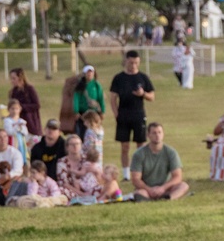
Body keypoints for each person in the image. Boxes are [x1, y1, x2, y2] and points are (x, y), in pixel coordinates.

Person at [110, 50, 155, 181]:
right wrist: (116, 114)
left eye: (136, 62)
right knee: (124, 146)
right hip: (123, 114)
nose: (133, 65)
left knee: (140, 145)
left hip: (138, 114)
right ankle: (126, 174)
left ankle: (140, 172)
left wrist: (143, 94)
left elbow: (152, 96)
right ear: (126, 61)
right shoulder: (119, 78)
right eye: (131, 62)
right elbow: (113, 98)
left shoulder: (143, 77)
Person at [130, 122, 189, 201]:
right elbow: (135, 179)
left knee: (183, 186)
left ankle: (168, 198)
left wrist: (163, 188)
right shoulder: (139, 154)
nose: (157, 135)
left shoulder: (171, 152)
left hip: (166, 188)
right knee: (139, 193)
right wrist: (149, 189)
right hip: (147, 189)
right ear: (148, 135)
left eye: (159, 132)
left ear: (163, 134)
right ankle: (148, 199)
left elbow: (178, 176)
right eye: (154, 133)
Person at [56, 135, 102, 200]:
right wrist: (81, 194)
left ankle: (90, 197)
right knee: (60, 190)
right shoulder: (62, 162)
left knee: (103, 188)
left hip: (89, 189)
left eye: (77, 144)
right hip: (71, 191)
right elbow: (64, 183)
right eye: (72, 144)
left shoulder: (88, 159)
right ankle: (84, 198)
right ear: (67, 147)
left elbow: (100, 179)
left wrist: (96, 171)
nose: (75, 146)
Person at [7, 68, 42, 137]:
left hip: (30, 121)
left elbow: (37, 105)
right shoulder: (13, 92)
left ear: (20, 78)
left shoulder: (29, 89)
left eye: (14, 78)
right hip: (18, 123)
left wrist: (21, 107)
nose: (12, 81)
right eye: (11, 78)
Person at [73, 65, 105, 139]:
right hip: (83, 113)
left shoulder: (96, 85)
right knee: (82, 132)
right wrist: (76, 111)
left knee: (94, 130)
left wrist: (102, 111)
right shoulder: (80, 85)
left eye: (91, 72)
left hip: (94, 112)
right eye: (88, 72)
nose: (89, 74)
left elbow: (100, 98)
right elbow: (76, 98)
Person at [3, 99, 30, 175]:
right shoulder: (7, 121)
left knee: (23, 159)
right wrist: (17, 127)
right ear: (9, 109)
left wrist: (21, 127)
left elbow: (25, 132)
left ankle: (24, 175)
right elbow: (9, 132)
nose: (15, 111)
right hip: (13, 143)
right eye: (12, 109)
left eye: (17, 109)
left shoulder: (21, 120)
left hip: (21, 143)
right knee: (13, 159)